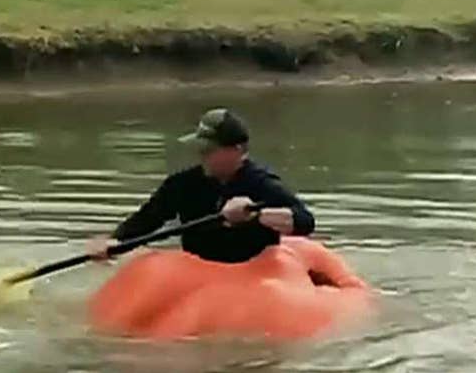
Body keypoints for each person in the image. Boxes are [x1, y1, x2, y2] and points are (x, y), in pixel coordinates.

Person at [92, 108, 315, 264]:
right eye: (200, 149)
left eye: (209, 150)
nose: (201, 155)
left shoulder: (262, 184)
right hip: (199, 268)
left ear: (237, 150)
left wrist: (255, 214)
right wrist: (117, 240)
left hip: (252, 269)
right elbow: (150, 217)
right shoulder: (183, 184)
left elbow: (304, 221)